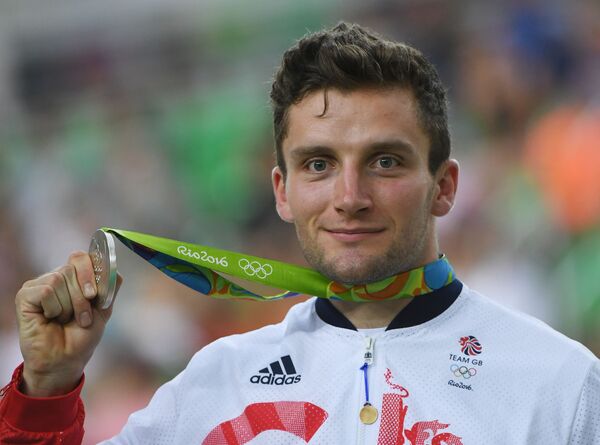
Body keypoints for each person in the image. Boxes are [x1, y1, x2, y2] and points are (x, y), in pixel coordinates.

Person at [1, 22, 599, 445]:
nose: (349, 197)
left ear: (444, 186)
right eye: (318, 164)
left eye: (385, 161)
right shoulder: (215, 386)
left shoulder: (561, 384)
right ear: (282, 192)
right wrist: (47, 391)